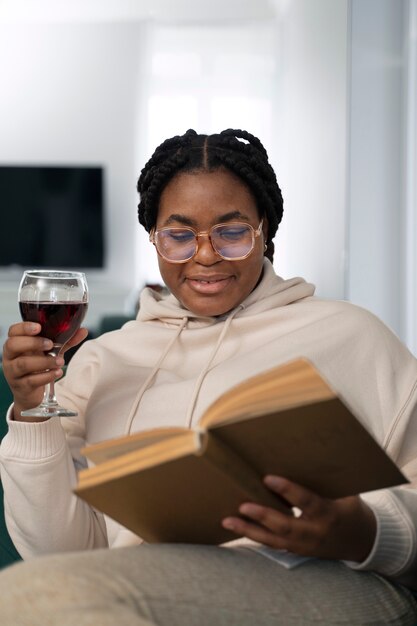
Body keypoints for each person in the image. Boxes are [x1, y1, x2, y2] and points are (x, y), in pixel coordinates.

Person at [0, 129, 417, 626]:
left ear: (265, 230)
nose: (205, 255)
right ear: (154, 239)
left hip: (324, 581)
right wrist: (30, 411)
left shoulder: (352, 335)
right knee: (39, 594)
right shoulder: (102, 361)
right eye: (178, 236)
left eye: (232, 231)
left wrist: (358, 530)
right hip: (152, 585)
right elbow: (59, 553)